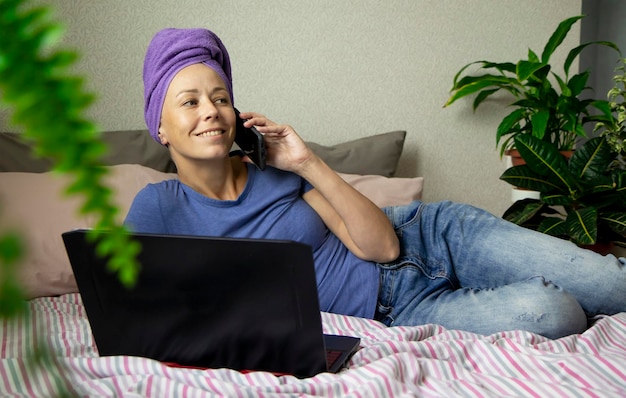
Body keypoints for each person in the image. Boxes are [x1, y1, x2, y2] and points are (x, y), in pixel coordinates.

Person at [125, 28, 626, 340]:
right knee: (552, 313)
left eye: (219, 97)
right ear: (160, 125)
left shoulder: (276, 174)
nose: (211, 111)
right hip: (403, 309)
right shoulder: (159, 207)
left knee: (611, 284)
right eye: (189, 101)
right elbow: (140, 311)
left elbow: (383, 246)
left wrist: (307, 162)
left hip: (433, 236)